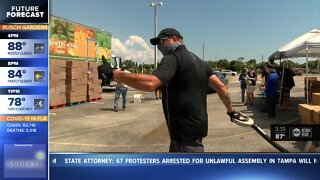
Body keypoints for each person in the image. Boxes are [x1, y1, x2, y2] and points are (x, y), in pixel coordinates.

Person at [112, 28, 238, 153]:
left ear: (174, 39)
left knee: (184, 171)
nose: (159, 46)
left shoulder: (173, 57)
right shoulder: (200, 62)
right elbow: (221, 87)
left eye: (161, 41)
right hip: (197, 131)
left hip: (182, 136)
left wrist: (116, 74)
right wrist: (231, 112)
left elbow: (151, 83)